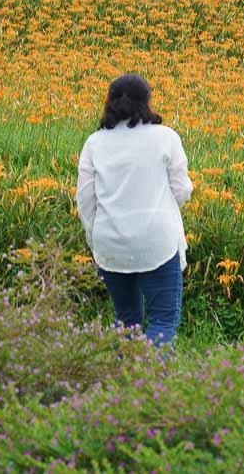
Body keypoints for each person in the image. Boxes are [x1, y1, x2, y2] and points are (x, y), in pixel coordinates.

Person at [76, 74, 192, 348]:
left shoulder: (95, 142)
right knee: (163, 321)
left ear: (110, 102)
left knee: (126, 322)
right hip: (157, 241)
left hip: (110, 243)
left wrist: (97, 236)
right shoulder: (166, 137)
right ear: (146, 102)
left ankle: (124, 384)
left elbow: (85, 200)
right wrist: (158, 207)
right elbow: (182, 190)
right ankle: (148, 382)